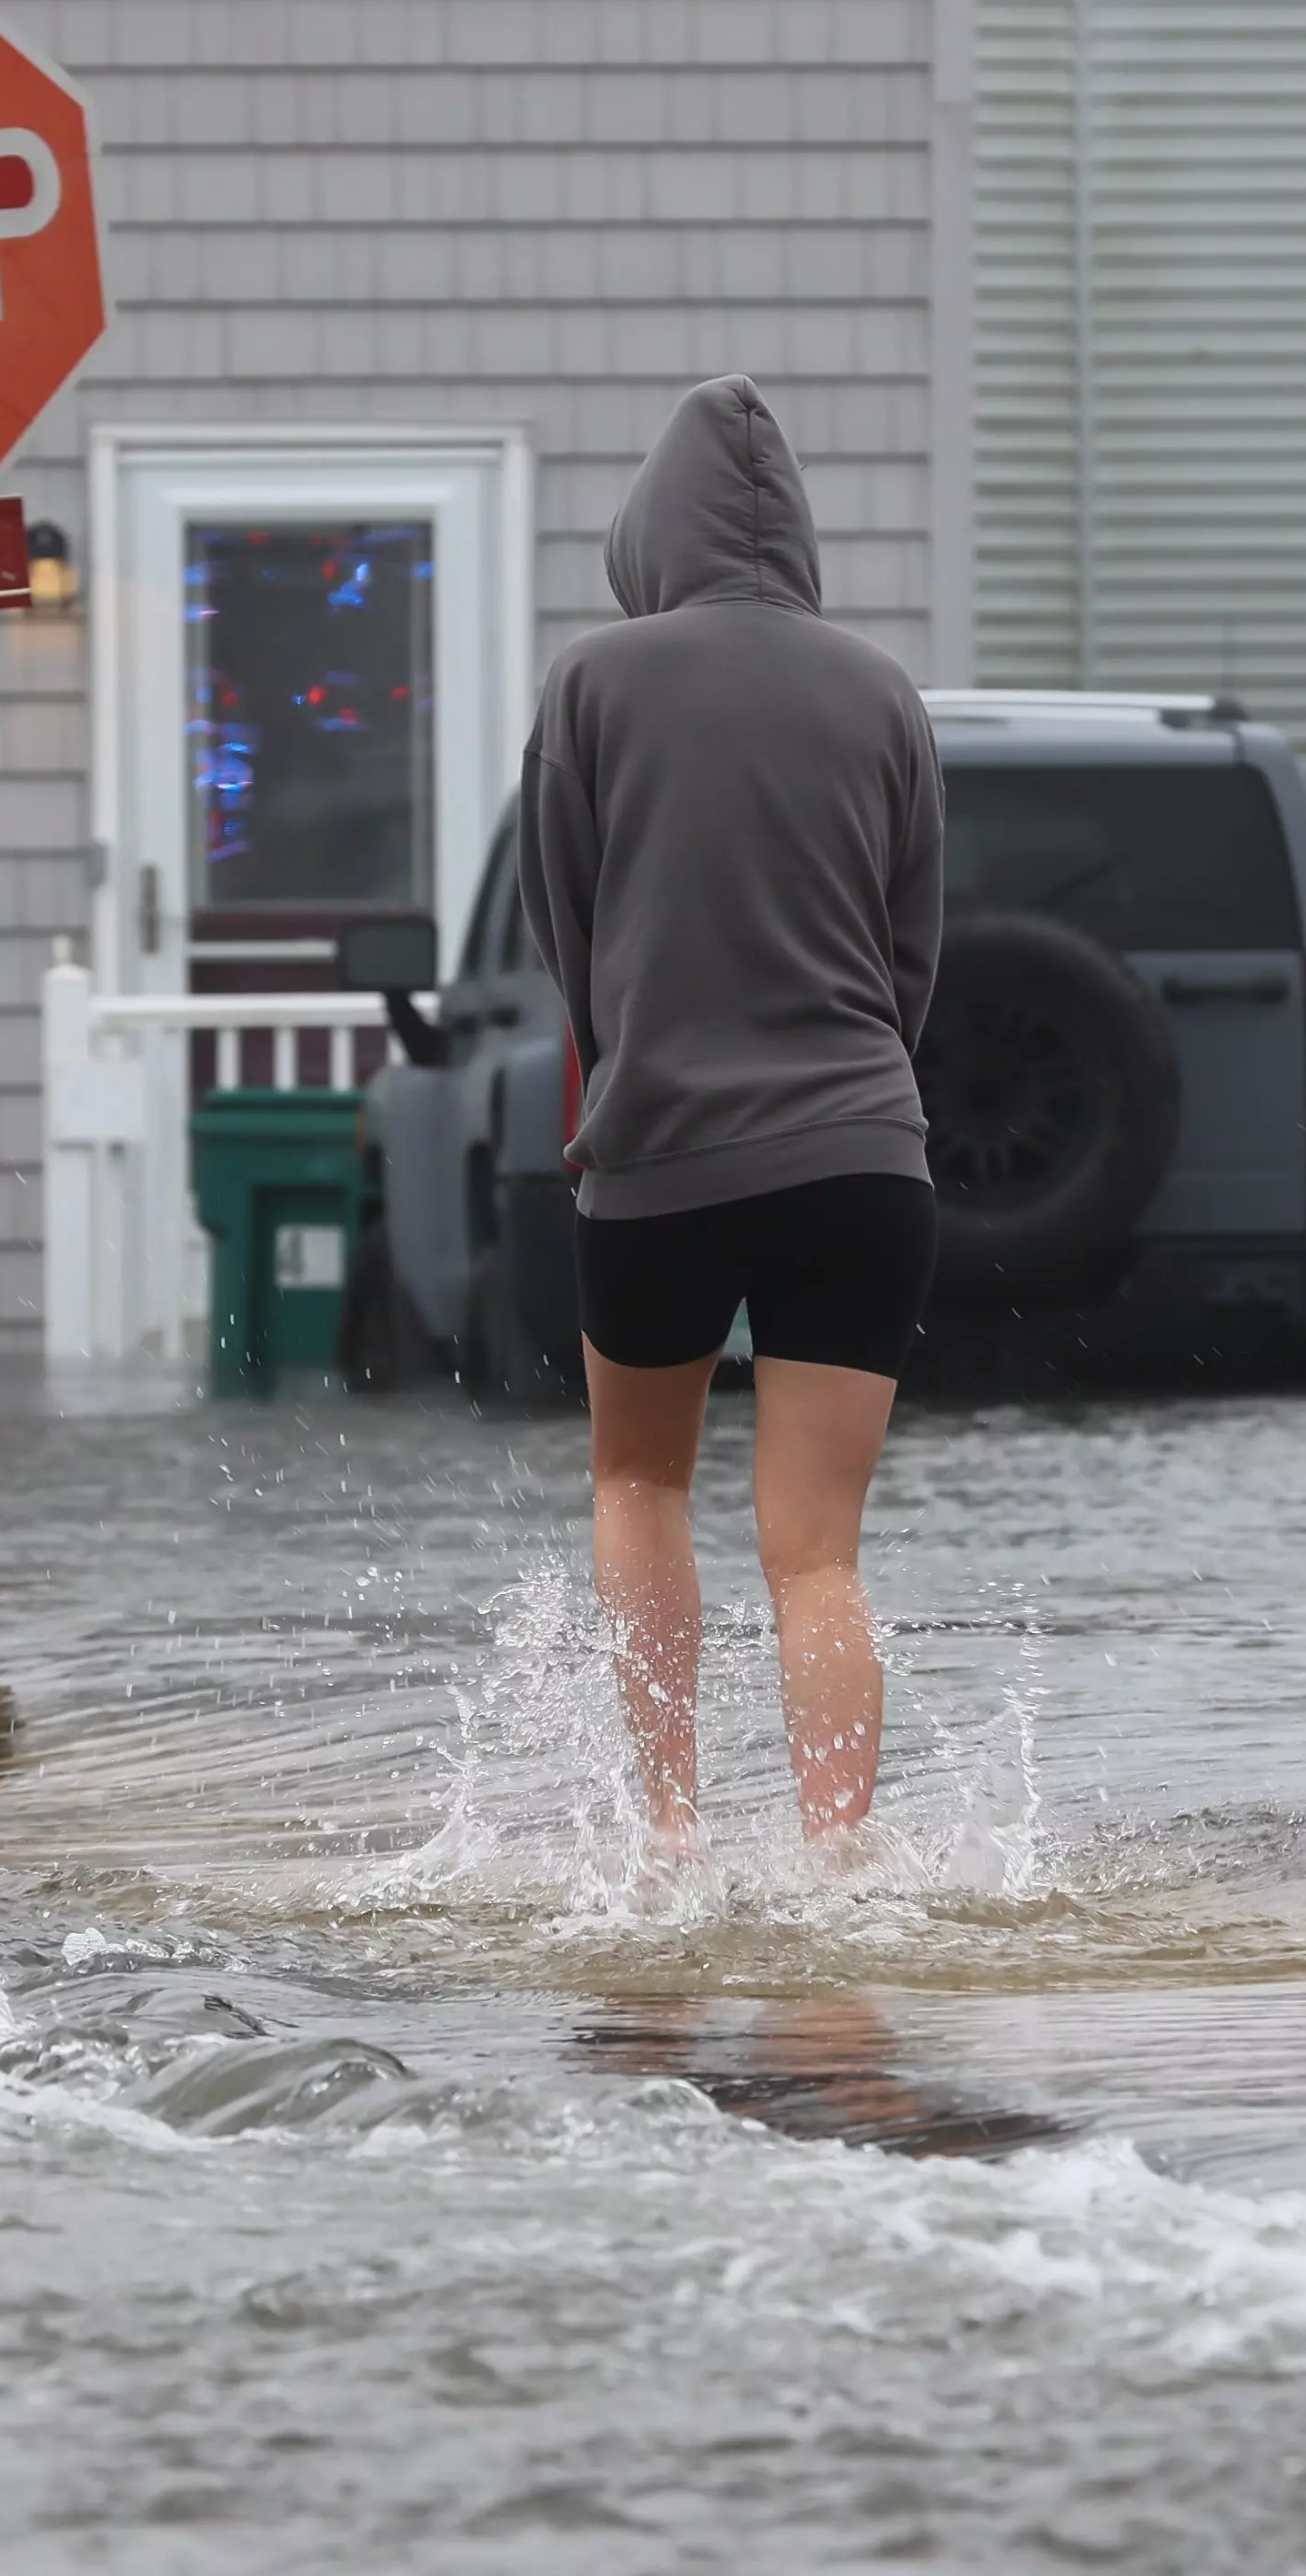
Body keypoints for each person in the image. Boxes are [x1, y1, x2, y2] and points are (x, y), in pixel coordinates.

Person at [519, 376, 944, 1859]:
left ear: (650, 532)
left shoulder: (591, 683)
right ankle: (838, 1854)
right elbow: (912, 957)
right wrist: (861, 1107)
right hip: (864, 1159)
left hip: (661, 1155)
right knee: (818, 1549)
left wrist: (630, 1059)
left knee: (639, 1477)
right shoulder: (884, 691)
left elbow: (564, 928)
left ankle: (672, 1834)